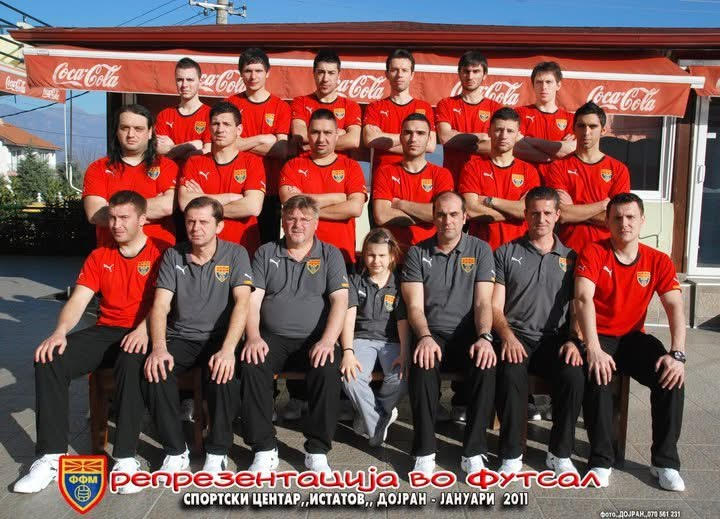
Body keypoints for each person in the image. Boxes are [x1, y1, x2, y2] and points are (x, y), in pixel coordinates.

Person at [14, 191, 164, 494]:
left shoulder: (162, 253)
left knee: (130, 362)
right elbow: (79, 299)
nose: (116, 225)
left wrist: (144, 330)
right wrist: (59, 332)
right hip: (106, 329)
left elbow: (165, 303)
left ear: (143, 219)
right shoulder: (99, 256)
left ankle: (125, 459)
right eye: (112, 218)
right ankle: (51, 457)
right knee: (50, 358)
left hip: (146, 330)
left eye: (124, 218)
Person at [575, 193, 686, 491]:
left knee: (671, 377)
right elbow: (583, 298)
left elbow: (675, 305)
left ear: (642, 220)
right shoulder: (594, 252)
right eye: (617, 218)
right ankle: (600, 460)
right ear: (607, 222)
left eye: (630, 217)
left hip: (633, 337)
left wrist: (677, 353)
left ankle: (664, 462)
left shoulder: (658, 260)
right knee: (597, 375)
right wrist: (593, 348)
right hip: (599, 335)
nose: (624, 223)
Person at [142, 196, 253, 474]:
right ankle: (175, 451)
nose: (196, 228)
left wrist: (228, 350)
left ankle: (217, 452)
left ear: (219, 226)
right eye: (190, 222)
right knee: (155, 371)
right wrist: (158, 347)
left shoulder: (236, 254)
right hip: (181, 336)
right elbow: (161, 305)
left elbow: (243, 303)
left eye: (204, 222)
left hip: (219, 338)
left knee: (224, 377)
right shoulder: (173, 255)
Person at [239, 195, 348, 475]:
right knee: (252, 362)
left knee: (328, 367)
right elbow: (253, 300)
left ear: (316, 223)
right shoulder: (265, 252)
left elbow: (340, 301)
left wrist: (328, 340)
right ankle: (264, 448)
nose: (297, 224)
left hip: (316, 339)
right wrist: (253, 336)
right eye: (291, 218)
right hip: (272, 337)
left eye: (304, 219)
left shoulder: (330, 254)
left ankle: (317, 450)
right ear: (283, 222)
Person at [401, 191, 496, 475]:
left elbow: (483, 303)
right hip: (432, 333)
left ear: (465, 217)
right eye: (441, 214)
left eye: (454, 214)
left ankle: (474, 451)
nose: (447, 220)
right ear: (433, 217)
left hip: (469, 333)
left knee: (487, 364)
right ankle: (424, 450)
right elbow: (414, 306)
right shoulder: (417, 253)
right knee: (422, 363)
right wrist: (425, 336)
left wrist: (484, 337)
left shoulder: (480, 250)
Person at [492, 186, 584, 475]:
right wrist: (507, 336)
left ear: (557, 215)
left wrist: (574, 340)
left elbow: (578, 307)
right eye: (534, 213)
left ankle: (560, 454)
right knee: (510, 374)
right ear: (525, 215)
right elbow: (494, 306)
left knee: (573, 375)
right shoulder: (505, 252)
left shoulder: (572, 258)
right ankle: (511, 454)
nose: (540, 219)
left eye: (547, 213)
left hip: (556, 339)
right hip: (516, 336)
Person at [340, 228, 410, 446]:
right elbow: (349, 318)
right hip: (362, 339)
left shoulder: (399, 283)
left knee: (401, 377)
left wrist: (405, 352)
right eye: (371, 255)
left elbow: (402, 321)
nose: (376, 261)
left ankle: (368, 415)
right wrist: (348, 352)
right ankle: (379, 423)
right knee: (350, 378)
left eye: (381, 255)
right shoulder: (355, 281)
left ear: (392, 256)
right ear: (364, 255)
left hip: (391, 341)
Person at [280, 108, 367, 266]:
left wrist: (306, 211)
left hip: (341, 256)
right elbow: (289, 202)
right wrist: (338, 198)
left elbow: (355, 208)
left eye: (327, 133)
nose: (321, 139)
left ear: (337, 135)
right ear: (308, 134)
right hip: (300, 256)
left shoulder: (351, 167)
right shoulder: (293, 165)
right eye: (315, 132)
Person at [83, 104, 178, 248]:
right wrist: (148, 209)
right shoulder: (97, 168)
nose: (131, 134)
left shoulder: (167, 166)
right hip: (112, 253)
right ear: (116, 131)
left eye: (138, 129)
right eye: (124, 128)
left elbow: (167, 207)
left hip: (158, 252)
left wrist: (114, 212)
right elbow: (96, 215)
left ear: (150, 132)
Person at [179, 101, 265, 256]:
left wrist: (203, 201)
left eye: (226, 124)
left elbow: (253, 207)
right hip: (203, 252)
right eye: (215, 124)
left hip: (242, 249)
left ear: (239, 129)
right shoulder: (194, 162)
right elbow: (185, 203)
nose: (220, 129)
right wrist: (229, 197)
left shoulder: (252, 162)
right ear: (209, 128)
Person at [544, 101, 631, 254]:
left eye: (593, 126)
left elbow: (618, 218)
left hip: (606, 251)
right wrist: (603, 205)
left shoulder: (618, 169)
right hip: (568, 251)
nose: (586, 132)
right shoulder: (558, 167)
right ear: (573, 129)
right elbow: (562, 214)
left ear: (603, 130)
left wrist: (575, 211)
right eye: (581, 126)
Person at [226, 47, 290, 244]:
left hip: (270, 190)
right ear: (240, 73)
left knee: (266, 247)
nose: (253, 76)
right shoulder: (230, 104)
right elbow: (224, 143)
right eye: (248, 71)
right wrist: (263, 138)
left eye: (258, 71)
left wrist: (240, 143)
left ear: (268, 73)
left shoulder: (280, 106)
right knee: (236, 245)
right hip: (236, 188)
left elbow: (281, 150)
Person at [459, 107, 541, 251]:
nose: (504, 135)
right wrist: (515, 213)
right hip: (482, 250)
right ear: (489, 132)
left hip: (519, 250)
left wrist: (489, 201)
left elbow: (529, 210)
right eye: (498, 130)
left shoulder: (529, 171)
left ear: (518, 135)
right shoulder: (472, 167)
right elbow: (471, 210)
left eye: (510, 131)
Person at [372, 113, 454, 253]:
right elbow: (381, 216)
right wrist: (427, 216)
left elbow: (442, 214)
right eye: (408, 133)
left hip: (430, 254)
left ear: (429, 139)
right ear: (400, 137)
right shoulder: (385, 172)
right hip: (394, 256)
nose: (413, 138)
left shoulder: (442, 174)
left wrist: (400, 204)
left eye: (420, 133)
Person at [363, 49, 436, 177]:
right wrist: (414, 143)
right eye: (394, 70)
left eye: (404, 70)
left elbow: (430, 146)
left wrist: (383, 142)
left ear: (412, 75)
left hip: (415, 178)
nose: (399, 75)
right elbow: (370, 139)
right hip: (382, 177)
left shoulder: (424, 107)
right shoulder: (375, 107)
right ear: (387, 74)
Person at [435, 50, 502, 184]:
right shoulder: (446, 104)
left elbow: (499, 146)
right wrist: (482, 137)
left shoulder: (496, 108)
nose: (470, 76)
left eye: (476, 71)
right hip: (453, 178)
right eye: (466, 71)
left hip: (485, 179)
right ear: (459, 73)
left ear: (485, 75)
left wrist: (458, 140)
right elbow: (445, 138)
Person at [290, 50, 362, 156]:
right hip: (307, 163)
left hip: (339, 165)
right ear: (314, 73)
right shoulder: (300, 102)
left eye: (331, 73)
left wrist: (312, 144)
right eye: (321, 72)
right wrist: (338, 133)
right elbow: (300, 135)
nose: (325, 79)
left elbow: (353, 141)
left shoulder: (351, 106)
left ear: (339, 75)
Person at [514, 61, 576, 178]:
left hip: (558, 180)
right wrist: (556, 151)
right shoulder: (519, 114)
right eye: (539, 82)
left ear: (558, 85)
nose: (543, 87)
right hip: (527, 179)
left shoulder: (571, 119)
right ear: (533, 85)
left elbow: (571, 150)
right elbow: (516, 148)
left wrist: (528, 140)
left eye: (548, 82)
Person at [155, 57, 212, 162]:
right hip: (169, 172)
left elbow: (207, 153)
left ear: (200, 81)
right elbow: (159, 151)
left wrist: (172, 148)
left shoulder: (210, 114)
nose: (184, 85)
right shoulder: (164, 115)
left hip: (196, 172)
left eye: (190, 80)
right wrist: (190, 146)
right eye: (180, 80)